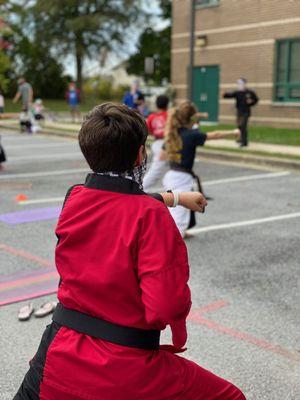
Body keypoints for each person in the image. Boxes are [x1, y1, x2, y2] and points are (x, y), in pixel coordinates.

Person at [14, 103, 245, 400]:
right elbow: (165, 306)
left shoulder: (74, 198)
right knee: (229, 396)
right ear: (140, 154)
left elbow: (114, 197)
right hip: (124, 366)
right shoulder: (151, 216)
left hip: (57, 354)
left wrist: (174, 198)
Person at [163, 101, 240, 237]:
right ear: (191, 119)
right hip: (181, 178)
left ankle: (177, 233)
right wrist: (233, 132)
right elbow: (215, 135)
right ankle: (175, 238)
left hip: (171, 175)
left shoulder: (173, 133)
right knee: (180, 212)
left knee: (175, 207)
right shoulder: (192, 135)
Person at [143, 95, 169, 191]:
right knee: (157, 169)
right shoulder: (169, 115)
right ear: (167, 104)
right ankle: (142, 188)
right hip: (166, 143)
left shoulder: (152, 117)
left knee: (173, 168)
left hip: (157, 142)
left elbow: (148, 131)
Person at [223, 78, 259, 147]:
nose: (239, 85)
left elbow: (256, 100)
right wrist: (224, 95)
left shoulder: (249, 92)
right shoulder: (237, 92)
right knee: (239, 126)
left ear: (244, 84)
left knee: (243, 126)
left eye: (241, 83)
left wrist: (251, 102)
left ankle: (245, 142)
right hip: (239, 112)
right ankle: (240, 139)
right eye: (238, 84)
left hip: (246, 112)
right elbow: (230, 95)